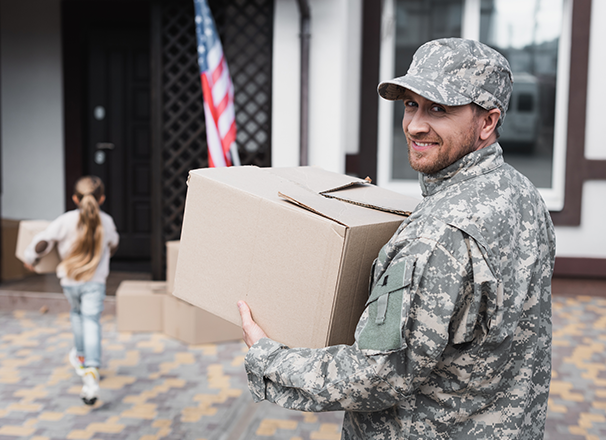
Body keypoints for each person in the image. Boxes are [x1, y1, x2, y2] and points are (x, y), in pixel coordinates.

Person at [237, 38, 556, 439]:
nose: (415, 125)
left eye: (438, 109)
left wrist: (269, 357)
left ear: (487, 123)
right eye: (411, 104)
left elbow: (374, 376)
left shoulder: (437, 236)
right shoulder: (522, 194)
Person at [24, 176, 119, 406]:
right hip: (95, 282)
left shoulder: (65, 220)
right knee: (91, 321)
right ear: (102, 199)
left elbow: (42, 242)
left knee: (77, 315)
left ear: (75, 198)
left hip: (70, 282)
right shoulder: (106, 221)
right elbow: (114, 244)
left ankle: (81, 356)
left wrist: (31, 259)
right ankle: (92, 371)